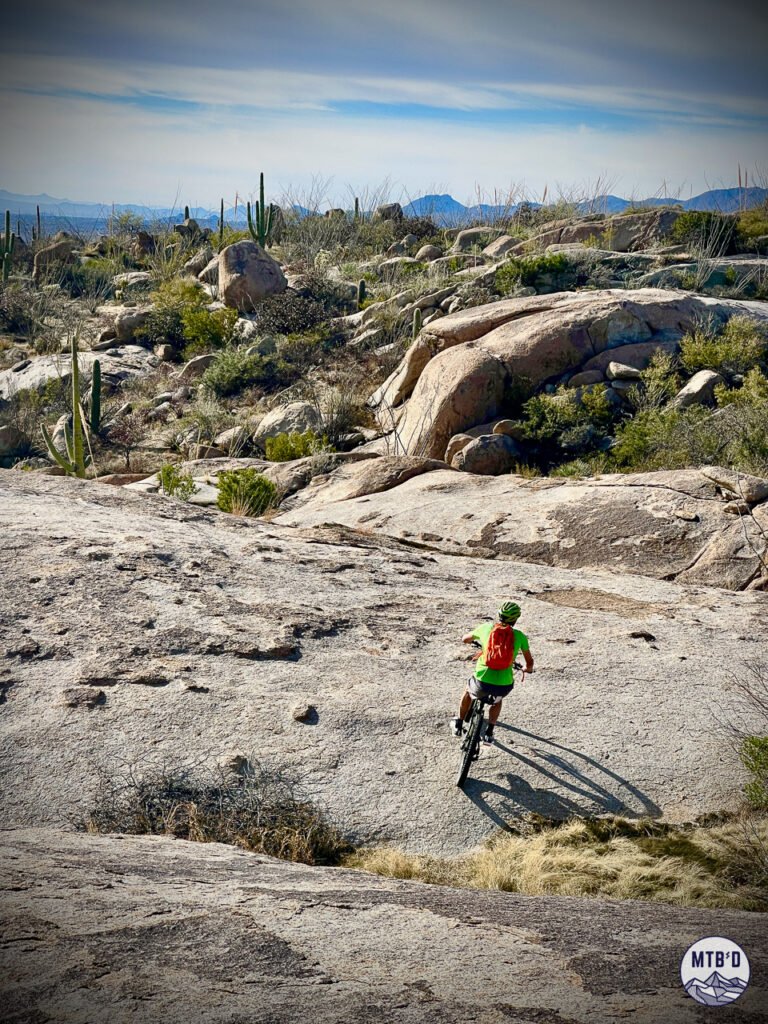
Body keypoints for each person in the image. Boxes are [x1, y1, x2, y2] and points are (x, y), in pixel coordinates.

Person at [450, 601, 534, 745]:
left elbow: (465, 639)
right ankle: (489, 733)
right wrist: (527, 669)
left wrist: (478, 641)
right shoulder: (520, 636)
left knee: (468, 691)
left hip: (481, 681)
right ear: (515, 619)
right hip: (503, 684)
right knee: (497, 700)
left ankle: (458, 723)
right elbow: (530, 662)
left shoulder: (487, 628)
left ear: (499, 615)